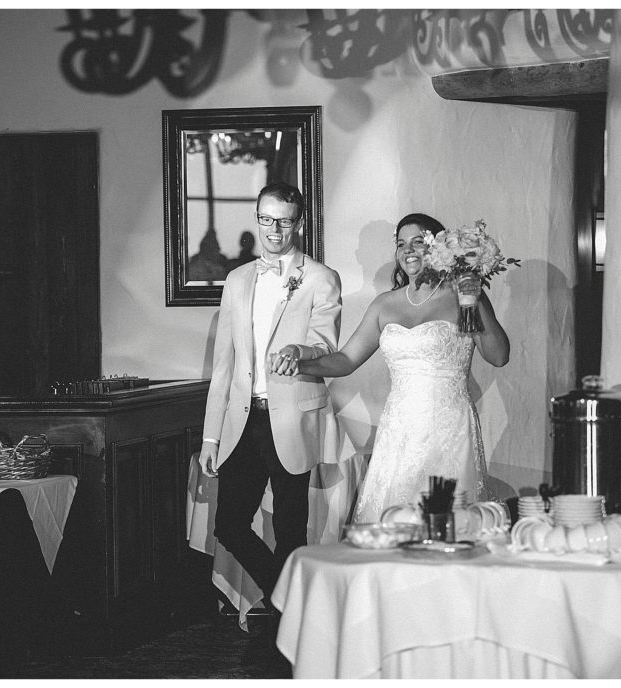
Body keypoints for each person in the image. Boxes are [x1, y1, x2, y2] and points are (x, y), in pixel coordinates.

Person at [270, 212, 509, 523]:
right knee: (393, 524)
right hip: (399, 432)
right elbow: (345, 361)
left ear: (439, 249)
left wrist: (474, 299)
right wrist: (299, 364)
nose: (408, 250)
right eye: (401, 244)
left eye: (417, 242)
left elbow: (498, 356)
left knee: (449, 524)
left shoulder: (460, 296)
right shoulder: (385, 304)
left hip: (450, 429)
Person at [198, 181, 343, 609]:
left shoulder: (321, 278)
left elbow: (327, 345)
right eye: (266, 219)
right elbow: (223, 365)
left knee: (291, 530)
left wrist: (302, 351)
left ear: (299, 222)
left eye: (283, 221)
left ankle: (286, 633)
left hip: (293, 417)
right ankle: (290, 602)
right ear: (257, 218)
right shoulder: (238, 279)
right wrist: (211, 437)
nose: (274, 229)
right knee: (229, 525)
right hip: (243, 421)